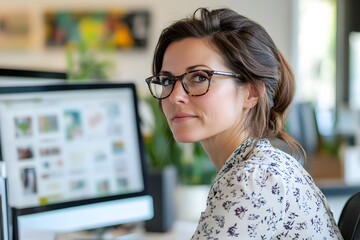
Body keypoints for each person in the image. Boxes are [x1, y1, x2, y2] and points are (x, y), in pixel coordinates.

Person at [145, 7, 343, 239]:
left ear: (251, 93)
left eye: (199, 77)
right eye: (167, 80)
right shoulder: (258, 166)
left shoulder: (254, 179)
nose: (174, 95)